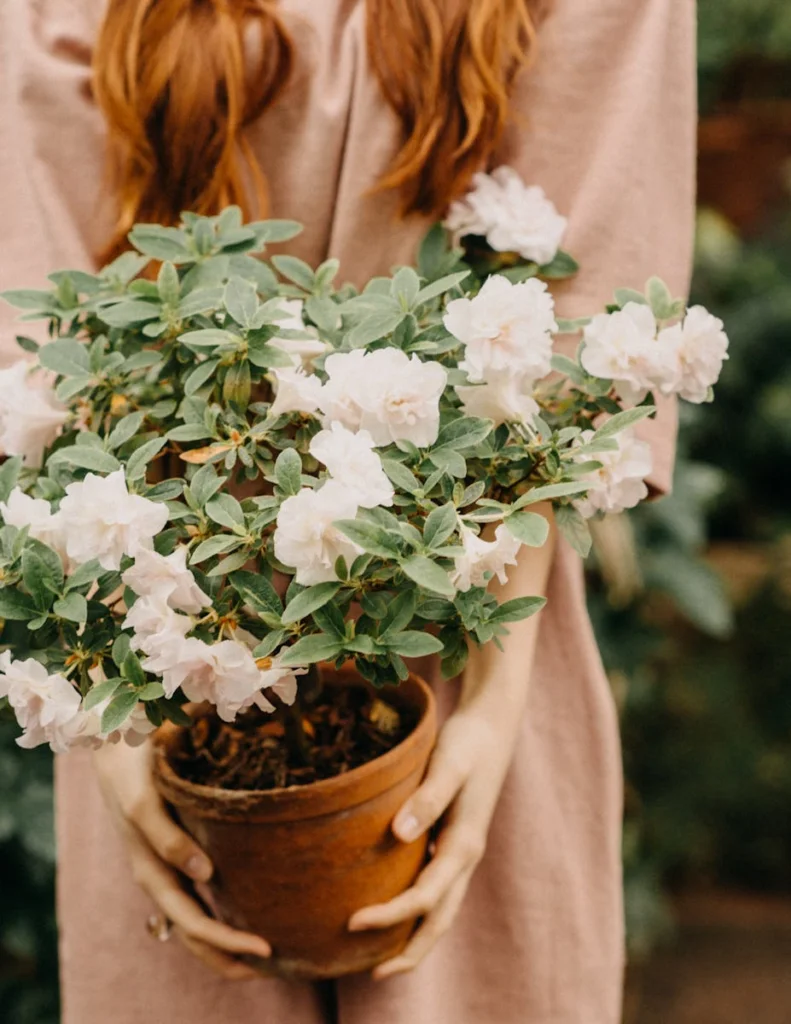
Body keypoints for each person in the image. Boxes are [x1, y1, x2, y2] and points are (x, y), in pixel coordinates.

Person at [0, 1, 695, 1021]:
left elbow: (571, 331)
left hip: (462, 613)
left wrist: (490, 720)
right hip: (165, 638)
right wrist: (106, 724)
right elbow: (40, 349)